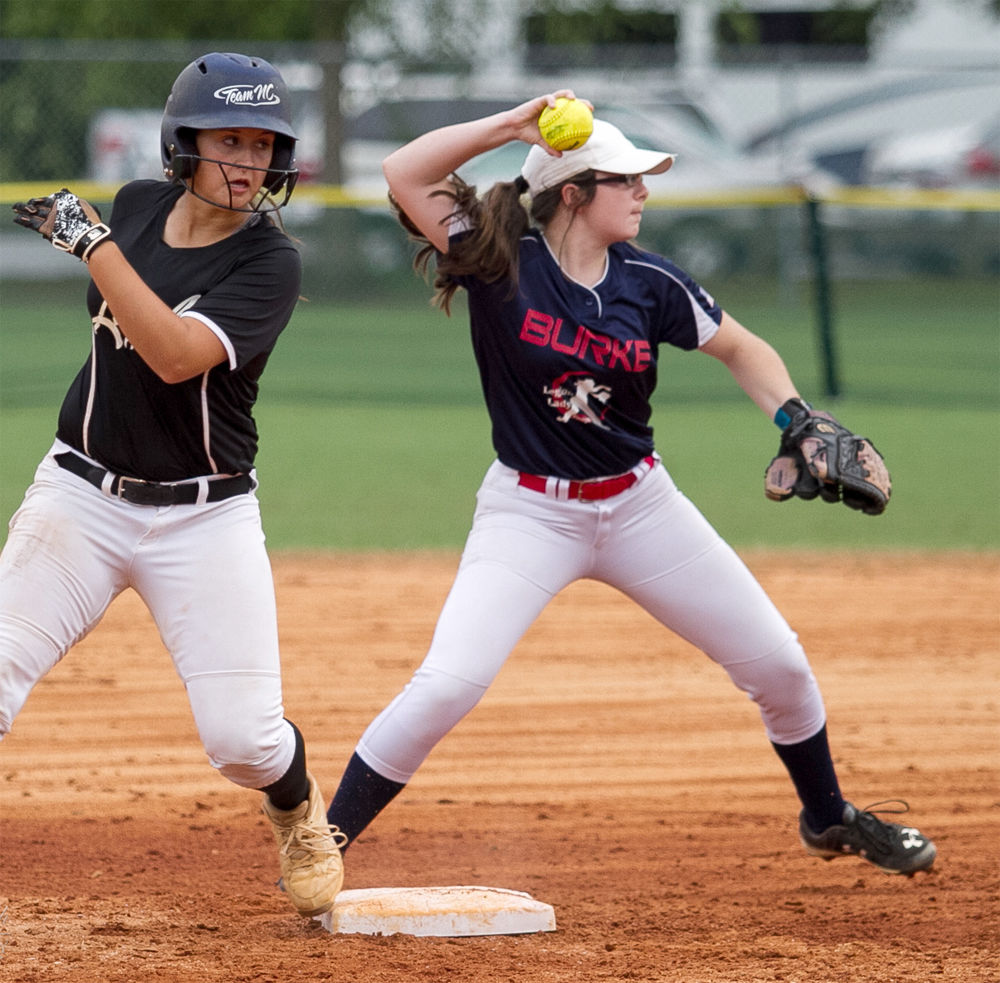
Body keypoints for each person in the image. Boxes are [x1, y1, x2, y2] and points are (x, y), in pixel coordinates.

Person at [323, 92, 936, 879]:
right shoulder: (499, 259)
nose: (644, 190)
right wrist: (512, 127)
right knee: (447, 684)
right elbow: (404, 170)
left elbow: (744, 349)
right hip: (529, 511)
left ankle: (829, 818)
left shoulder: (652, 283)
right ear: (573, 192)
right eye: (626, 179)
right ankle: (321, 841)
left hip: (639, 505)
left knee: (779, 665)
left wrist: (797, 417)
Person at [2, 52, 344, 918]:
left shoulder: (273, 263)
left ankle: (298, 808)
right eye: (228, 140)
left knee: (242, 741)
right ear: (181, 145)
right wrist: (105, 238)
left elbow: (173, 354)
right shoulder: (138, 209)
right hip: (79, 497)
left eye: (264, 145)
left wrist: (91, 244)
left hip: (204, 516)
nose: (248, 162)